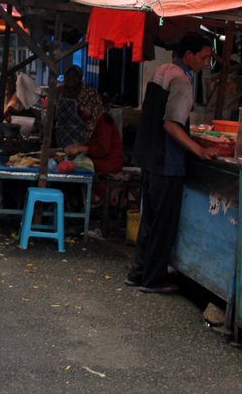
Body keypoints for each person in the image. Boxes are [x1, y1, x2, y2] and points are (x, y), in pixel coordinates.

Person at [126, 32, 219, 294]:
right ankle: (153, 280)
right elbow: (171, 125)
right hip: (167, 161)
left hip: (149, 156)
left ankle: (138, 273)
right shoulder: (183, 81)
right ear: (188, 55)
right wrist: (198, 150)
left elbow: (152, 112)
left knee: (149, 219)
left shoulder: (160, 71)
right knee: (163, 224)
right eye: (202, 58)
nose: (204, 63)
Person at [55, 65, 104, 148]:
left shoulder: (87, 93)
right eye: (68, 75)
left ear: (80, 77)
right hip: (62, 135)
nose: (71, 78)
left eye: (74, 76)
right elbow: (53, 110)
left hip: (80, 136)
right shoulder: (59, 91)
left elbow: (93, 116)